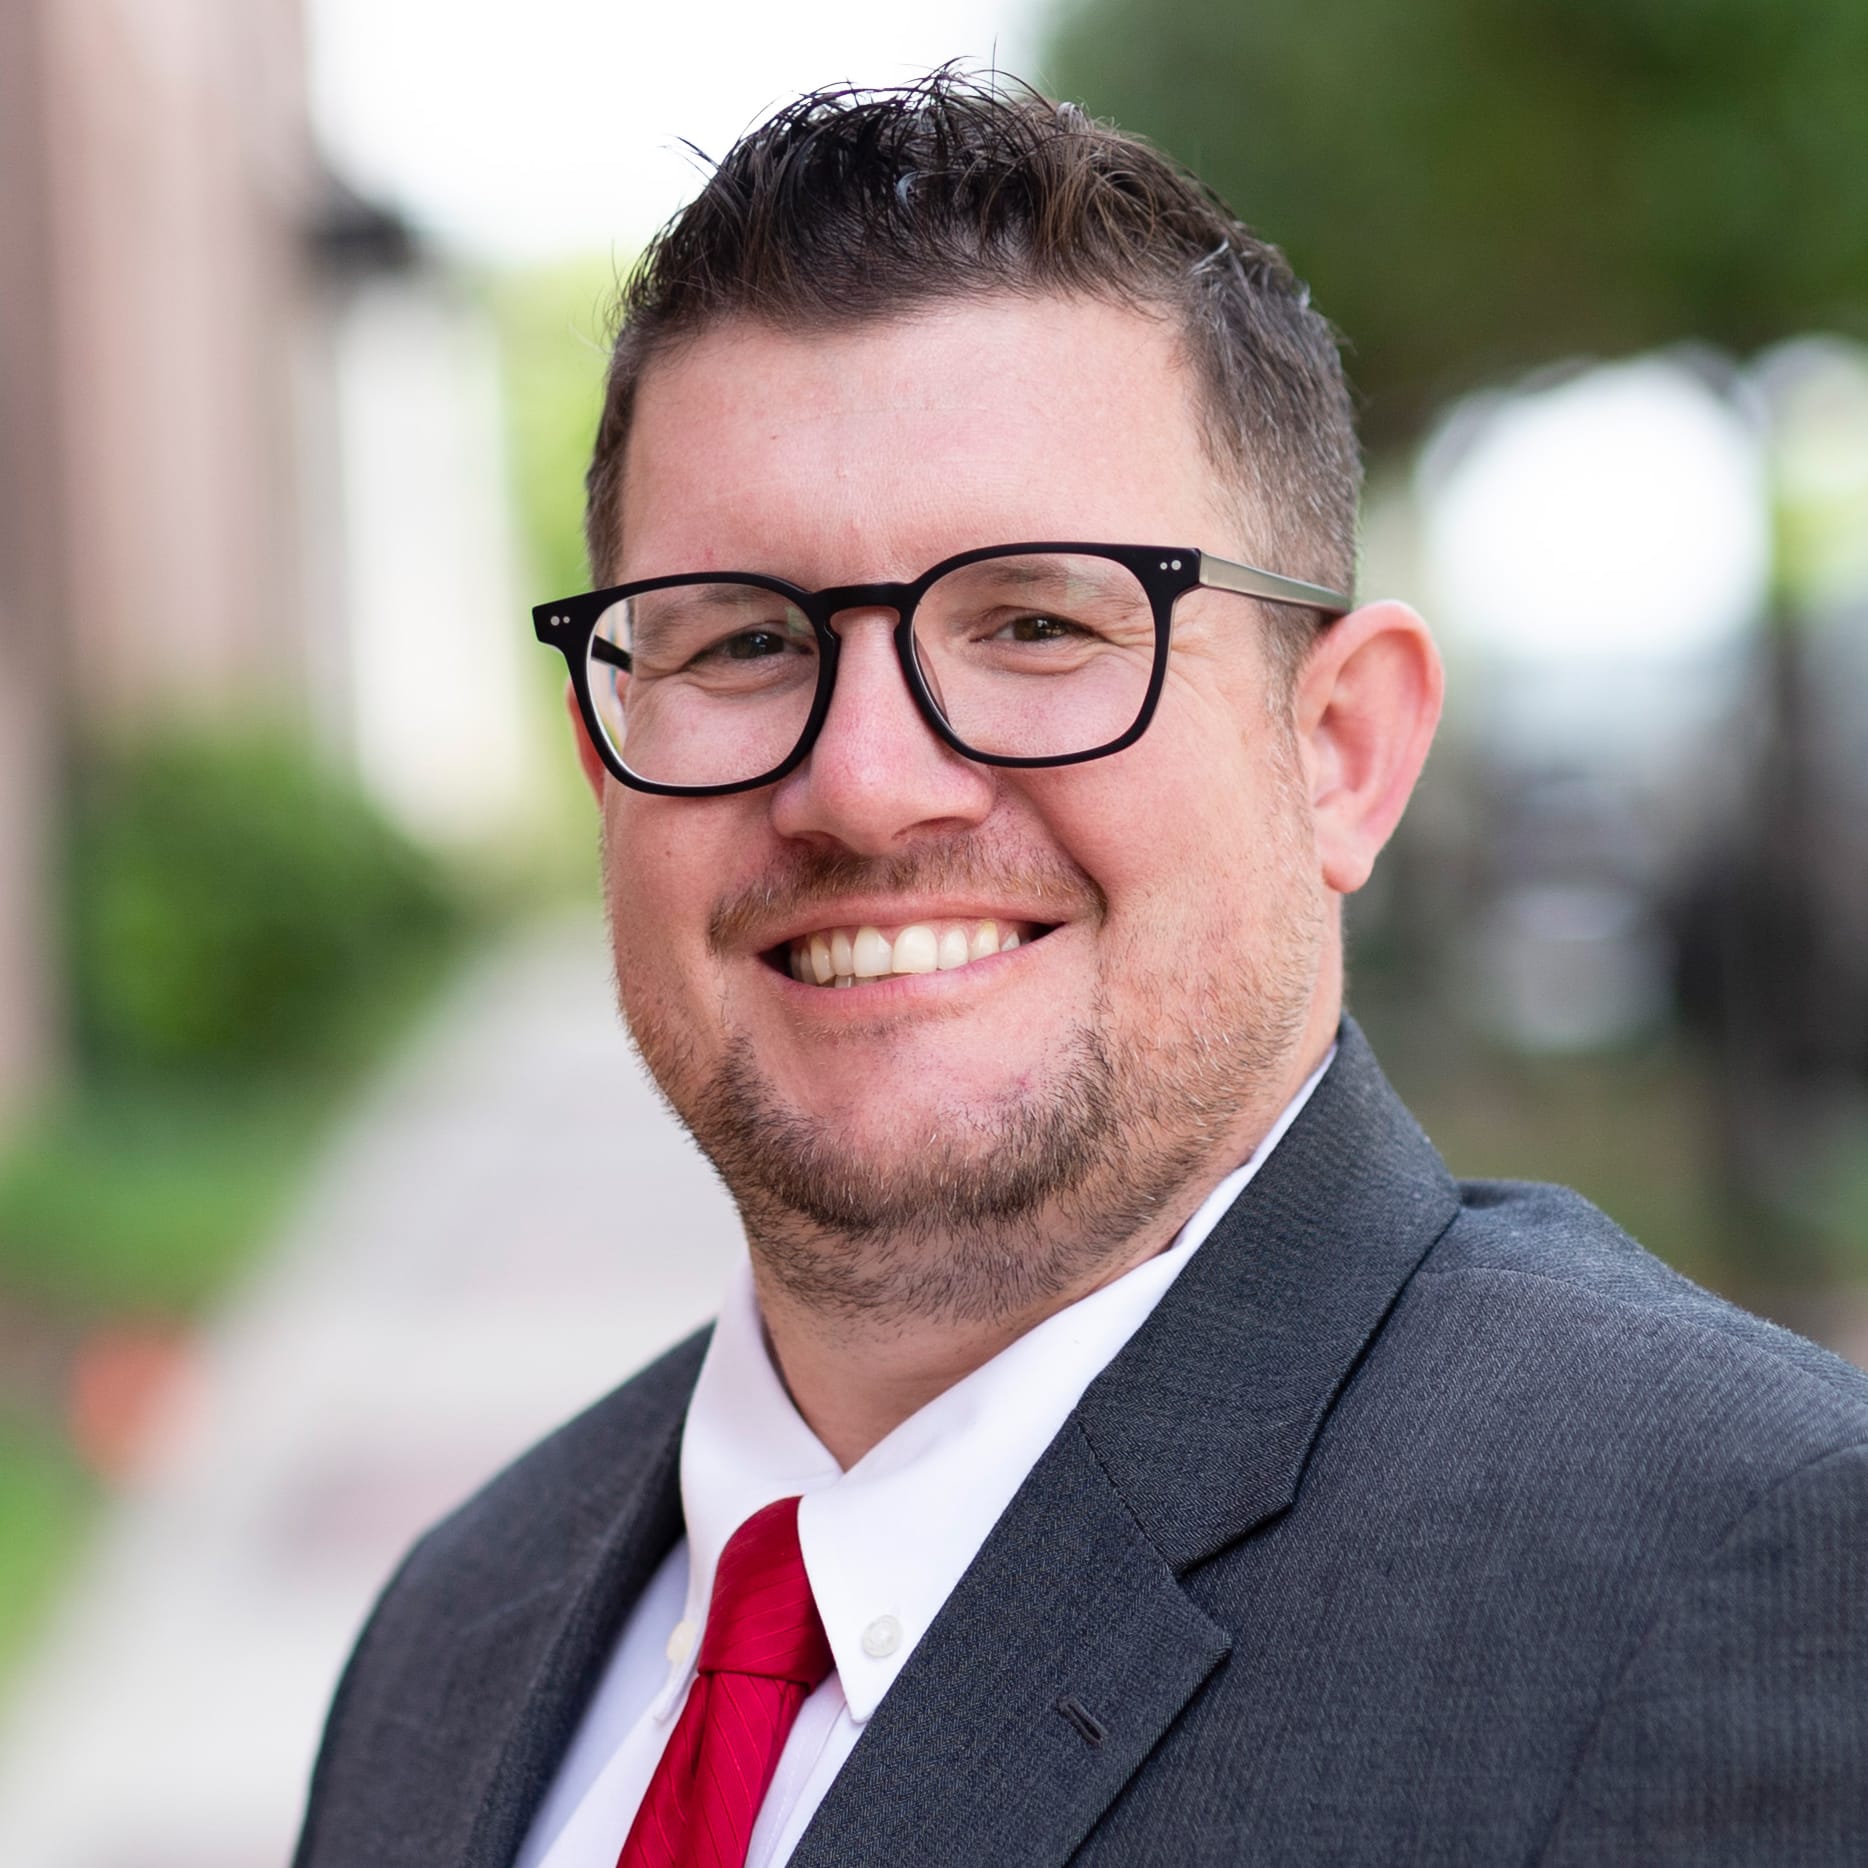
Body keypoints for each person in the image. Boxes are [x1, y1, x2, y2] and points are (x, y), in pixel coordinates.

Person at [292, 74, 1868, 1867]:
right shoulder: (451, 1639)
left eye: (1036, 621)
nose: (866, 785)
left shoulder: (1742, 1575)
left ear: (1342, 747)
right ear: (611, 770)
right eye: (738, 642)